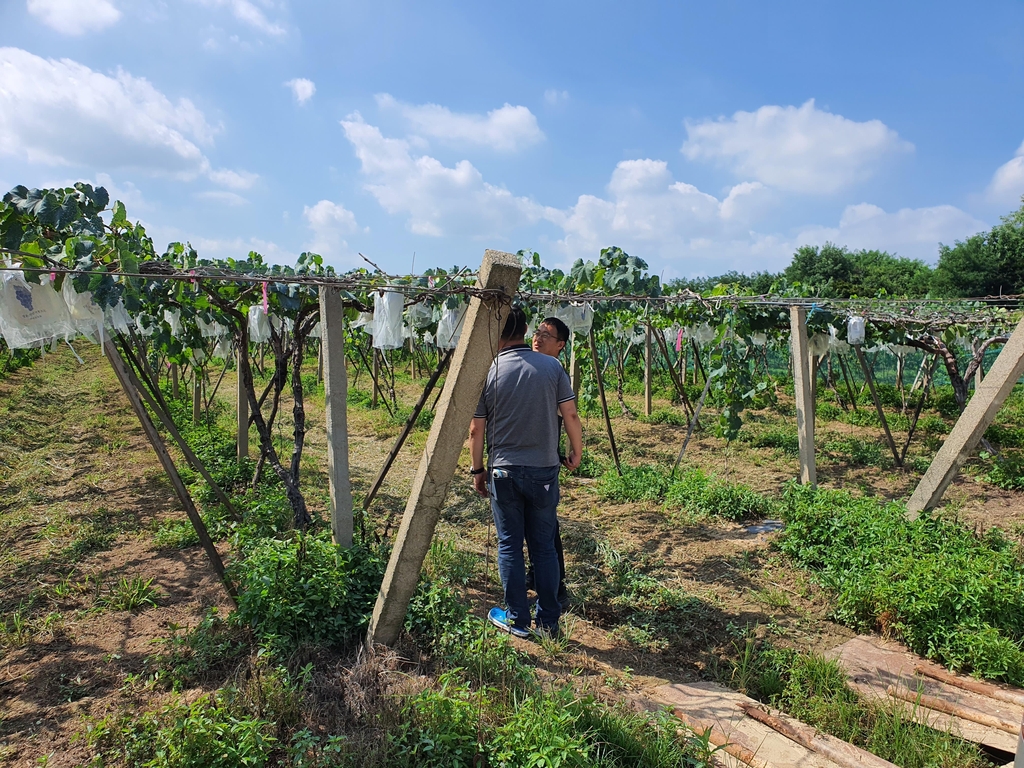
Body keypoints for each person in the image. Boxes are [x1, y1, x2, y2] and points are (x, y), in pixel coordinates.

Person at [470, 307, 582, 639]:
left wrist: (478, 469)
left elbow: (477, 430)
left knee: (509, 546)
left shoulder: (490, 369)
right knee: (543, 547)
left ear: (498, 334)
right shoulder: (553, 368)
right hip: (544, 473)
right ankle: (549, 623)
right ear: (524, 331)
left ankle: (517, 619)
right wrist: (576, 451)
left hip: (502, 472)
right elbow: (571, 415)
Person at [527, 316, 572, 610]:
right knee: (539, 527)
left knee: (544, 529)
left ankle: (556, 588)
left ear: (560, 345)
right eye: (538, 331)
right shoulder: (528, 366)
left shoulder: (555, 372)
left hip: (542, 462)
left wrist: (570, 452)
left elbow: (569, 415)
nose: (538, 337)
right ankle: (542, 580)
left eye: (546, 334)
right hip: (527, 460)